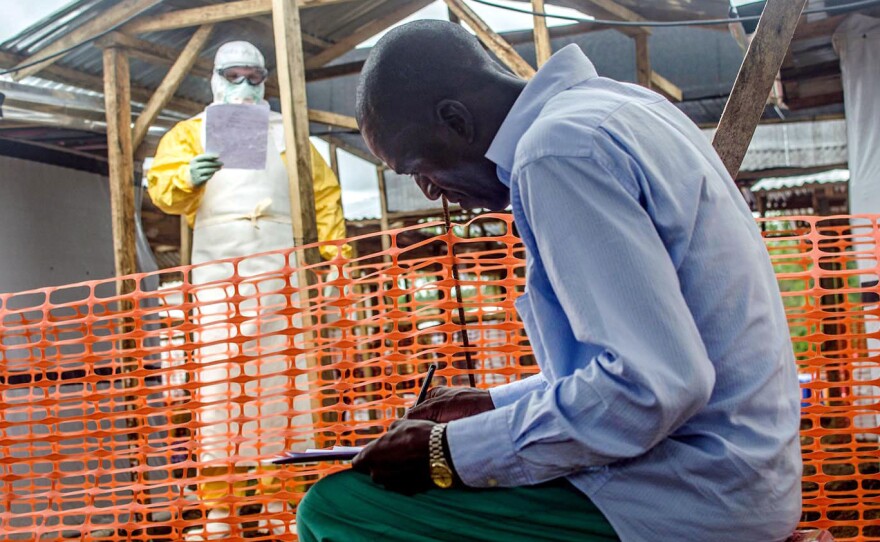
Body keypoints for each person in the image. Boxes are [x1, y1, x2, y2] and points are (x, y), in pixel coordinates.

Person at [295, 20, 802, 542]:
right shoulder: (626, 107)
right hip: (745, 475)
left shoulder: (556, 152)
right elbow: (648, 361)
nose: (430, 192)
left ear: (454, 120)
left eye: (419, 167)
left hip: (689, 494)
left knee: (336, 509)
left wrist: (446, 452)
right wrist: (490, 405)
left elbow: (652, 388)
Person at [146, 41, 350, 540]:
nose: (243, 86)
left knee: (287, 387)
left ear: (266, 81)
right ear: (213, 77)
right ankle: (221, 507)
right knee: (220, 389)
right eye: (232, 75)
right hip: (218, 271)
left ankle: (284, 501)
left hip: (280, 270)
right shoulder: (189, 134)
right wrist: (185, 178)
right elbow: (161, 187)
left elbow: (323, 194)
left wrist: (337, 255)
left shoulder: (290, 136)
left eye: (254, 77)